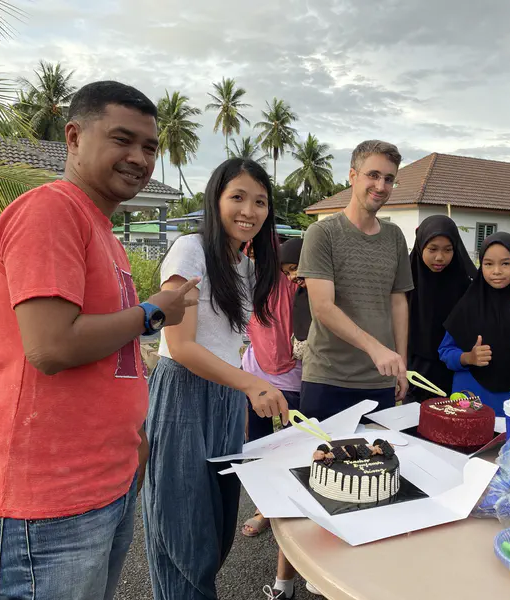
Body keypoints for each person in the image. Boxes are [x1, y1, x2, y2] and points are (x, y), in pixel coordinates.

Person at [0, 81, 197, 600]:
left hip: (103, 486)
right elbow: (52, 347)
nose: (139, 158)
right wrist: (153, 311)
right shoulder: (50, 212)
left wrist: (133, 444)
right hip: (49, 507)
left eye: (149, 147)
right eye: (123, 140)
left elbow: (104, 355)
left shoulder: (101, 230)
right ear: (73, 137)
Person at [141, 158, 288, 600]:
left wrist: (246, 383)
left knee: (219, 520)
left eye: (260, 202)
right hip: (182, 393)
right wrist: (250, 384)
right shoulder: (191, 249)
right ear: (215, 200)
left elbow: (230, 342)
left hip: (224, 397)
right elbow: (181, 346)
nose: (249, 211)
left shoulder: (246, 265)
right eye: (237, 197)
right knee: (183, 527)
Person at [297, 140, 413, 421]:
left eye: (388, 179)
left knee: (378, 463)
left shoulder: (395, 237)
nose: (381, 186)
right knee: (322, 462)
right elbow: (323, 308)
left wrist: (401, 364)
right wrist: (376, 349)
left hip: (379, 380)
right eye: (373, 175)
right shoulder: (321, 233)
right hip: (327, 378)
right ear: (352, 176)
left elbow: (398, 302)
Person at [241, 237, 309, 538]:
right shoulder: (248, 281)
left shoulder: (298, 281)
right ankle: (264, 507)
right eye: (251, 254)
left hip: (294, 375)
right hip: (256, 372)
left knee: (290, 444)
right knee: (257, 445)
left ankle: (288, 503)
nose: (257, 260)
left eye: (262, 253)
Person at [441, 232, 510, 415]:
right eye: (488, 264)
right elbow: (445, 352)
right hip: (471, 399)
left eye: (505, 263)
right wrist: (469, 357)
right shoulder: (469, 304)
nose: (496, 271)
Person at [406, 215, 475, 402]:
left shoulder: (467, 284)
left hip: (455, 371)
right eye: (432, 249)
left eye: (448, 250)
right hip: (413, 372)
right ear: (421, 247)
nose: (439, 257)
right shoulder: (404, 280)